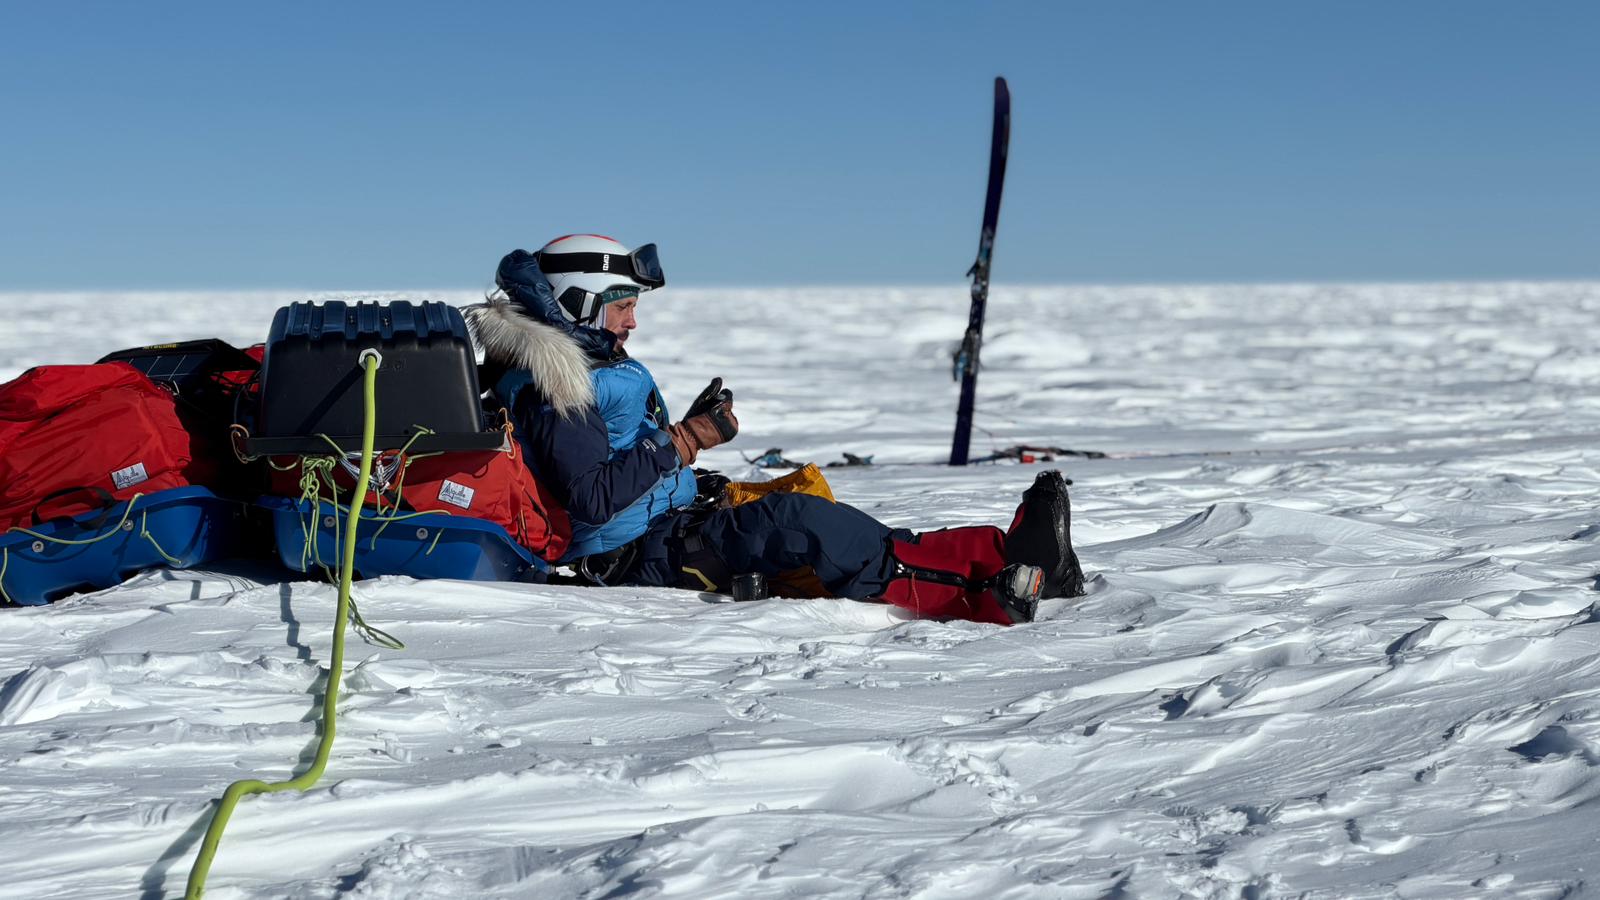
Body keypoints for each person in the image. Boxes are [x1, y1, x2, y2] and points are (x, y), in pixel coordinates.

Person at [463, 234, 1084, 625]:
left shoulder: (576, 367)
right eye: (623, 306)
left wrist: (684, 440)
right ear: (580, 301)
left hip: (671, 518)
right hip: (635, 553)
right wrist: (685, 440)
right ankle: (988, 596)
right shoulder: (556, 386)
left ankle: (1001, 557)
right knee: (805, 526)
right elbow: (591, 498)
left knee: (810, 507)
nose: (631, 323)